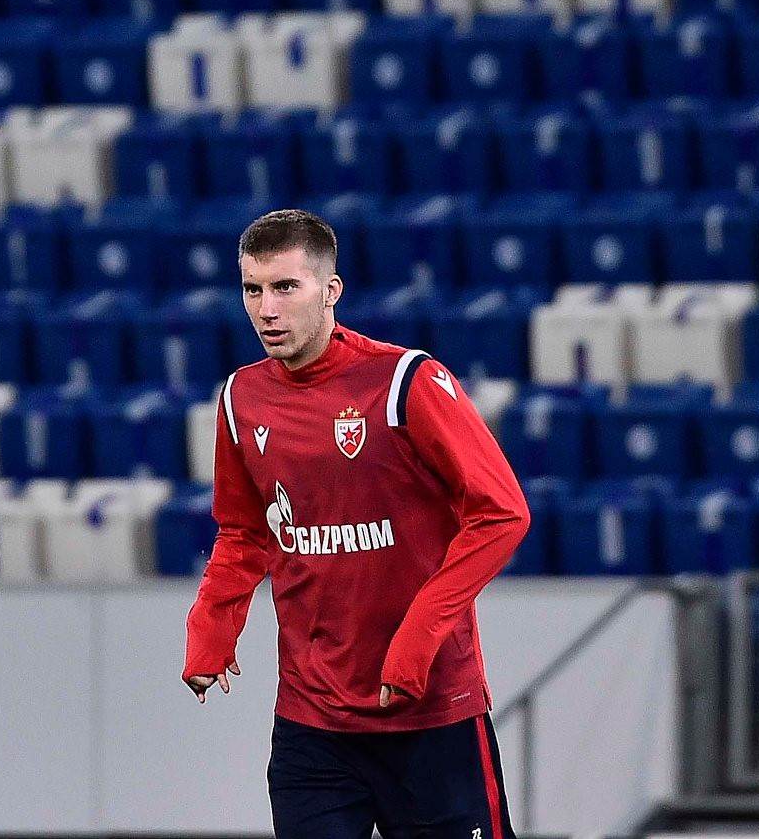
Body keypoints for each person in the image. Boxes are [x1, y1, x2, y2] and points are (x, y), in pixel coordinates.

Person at [183, 207, 531, 839]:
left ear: (331, 291)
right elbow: (245, 531)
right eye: (253, 290)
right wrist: (212, 627)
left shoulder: (405, 382)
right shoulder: (240, 398)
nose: (267, 310)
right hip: (312, 722)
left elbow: (502, 513)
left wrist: (417, 637)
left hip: (429, 714)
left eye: (286, 287)